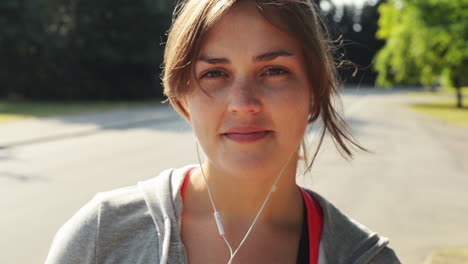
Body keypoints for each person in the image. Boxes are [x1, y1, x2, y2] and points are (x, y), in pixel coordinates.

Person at [46, 0, 400, 263]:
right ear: (182, 98)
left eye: (274, 71)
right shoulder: (100, 237)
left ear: (314, 92)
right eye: (214, 73)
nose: (243, 103)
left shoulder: (366, 259)